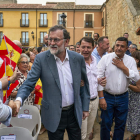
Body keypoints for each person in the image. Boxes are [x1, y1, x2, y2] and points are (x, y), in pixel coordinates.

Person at [14, 25, 90, 140]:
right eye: (50, 39)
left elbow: (84, 84)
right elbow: (29, 83)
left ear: (67, 41)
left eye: (56, 40)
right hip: (53, 114)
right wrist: (18, 100)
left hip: (74, 112)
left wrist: (85, 107)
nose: (52, 43)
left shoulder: (77, 59)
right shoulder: (41, 59)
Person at [98, 37, 140, 140]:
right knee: (105, 124)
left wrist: (124, 68)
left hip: (123, 97)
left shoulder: (130, 61)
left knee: (120, 125)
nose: (119, 48)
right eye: (117, 45)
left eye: (122, 46)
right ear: (114, 46)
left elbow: (137, 77)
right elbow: (98, 77)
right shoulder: (105, 59)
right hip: (107, 96)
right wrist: (101, 98)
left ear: (126, 48)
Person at [80, 37, 106, 140]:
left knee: (88, 133)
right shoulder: (75, 62)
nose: (85, 50)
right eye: (83, 47)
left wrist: (99, 80)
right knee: (81, 134)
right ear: (79, 47)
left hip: (94, 101)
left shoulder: (95, 61)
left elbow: (94, 78)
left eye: (88, 47)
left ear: (93, 48)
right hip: (82, 102)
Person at [126, 51, 140, 140]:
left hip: (137, 100)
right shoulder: (134, 70)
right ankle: (134, 135)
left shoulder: (139, 72)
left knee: (137, 120)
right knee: (134, 119)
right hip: (132, 99)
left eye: (133, 58)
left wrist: (127, 85)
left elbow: (139, 89)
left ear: (137, 60)